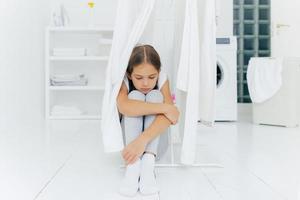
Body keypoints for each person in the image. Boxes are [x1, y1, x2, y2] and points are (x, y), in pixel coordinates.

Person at [117, 44, 180, 196]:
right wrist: (165, 108)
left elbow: (174, 117)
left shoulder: (163, 78)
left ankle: (147, 165)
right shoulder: (124, 79)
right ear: (130, 74)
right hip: (130, 148)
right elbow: (124, 107)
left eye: (152, 77)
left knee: (155, 95)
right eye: (139, 77)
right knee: (134, 96)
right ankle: (133, 166)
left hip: (155, 148)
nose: (146, 83)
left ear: (158, 72)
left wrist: (143, 140)